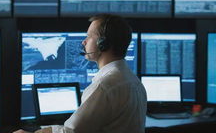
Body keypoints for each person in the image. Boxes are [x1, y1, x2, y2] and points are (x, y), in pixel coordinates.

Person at [14, 14, 147, 133]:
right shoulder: (132, 80)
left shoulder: (104, 86)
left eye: (88, 37)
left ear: (103, 44)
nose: (84, 41)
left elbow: (71, 131)